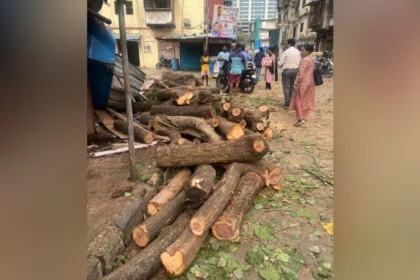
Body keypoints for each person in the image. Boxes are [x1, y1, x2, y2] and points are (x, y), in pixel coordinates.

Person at [290, 44, 315, 127]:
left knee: (298, 100)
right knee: (305, 100)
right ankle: (304, 117)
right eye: (301, 50)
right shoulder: (311, 59)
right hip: (310, 82)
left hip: (303, 82)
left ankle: (300, 119)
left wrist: (296, 84)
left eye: (302, 50)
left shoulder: (304, 60)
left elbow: (301, 73)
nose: (301, 52)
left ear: (307, 51)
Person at [278, 38, 301, 107]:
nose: (287, 45)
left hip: (287, 71)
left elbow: (280, 63)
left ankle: (287, 102)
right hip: (295, 70)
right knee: (292, 86)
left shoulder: (286, 52)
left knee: (286, 87)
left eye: (287, 43)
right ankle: (291, 101)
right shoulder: (298, 52)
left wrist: (278, 63)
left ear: (289, 44)